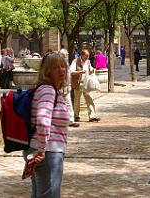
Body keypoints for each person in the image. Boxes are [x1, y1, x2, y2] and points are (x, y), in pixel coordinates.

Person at [23, 52, 70, 197]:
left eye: (63, 66)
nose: (61, 70)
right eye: (55, 67)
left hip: (41, 149)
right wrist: (42, 150)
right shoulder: (48, 90)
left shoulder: (47, 89)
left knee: (39, 194)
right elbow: (43, 120)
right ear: (47, 71)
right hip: (47, 152)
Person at [70, 49, 100, 122]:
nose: (87, 57)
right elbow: (71, 71)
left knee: (90, 99)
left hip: (87, 83)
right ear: (82, 55)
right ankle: (76, 115)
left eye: (88, 56)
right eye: (86, 56)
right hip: (78, 83)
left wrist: (92, 70)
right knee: (77, 100)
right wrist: (80, 72)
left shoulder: (88, 61)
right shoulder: (75, 61)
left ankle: (92, 116)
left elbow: (90, 69)